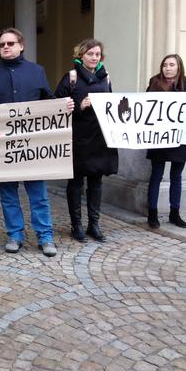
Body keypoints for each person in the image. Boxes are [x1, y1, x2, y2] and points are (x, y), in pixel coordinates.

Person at [0, 27, 73, 257]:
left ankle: (45, 236)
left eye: (10, 43)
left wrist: (62, 106)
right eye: (2, 44)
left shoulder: (36, 72)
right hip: (3, 150)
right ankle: (15, 234)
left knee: (38, 194)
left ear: (21, 46)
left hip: (32, 149)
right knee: (8, 195)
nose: (5, 47)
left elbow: (48, 100)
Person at [54, 39, 118, 243]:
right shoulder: (71, 78)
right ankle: (76, 225)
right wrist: (79, 107)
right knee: (75, 183)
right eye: (90, 54)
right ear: (81, 55)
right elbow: (56, 107)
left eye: (97, 54)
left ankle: (94, 224)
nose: (94, 57)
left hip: (100, 138)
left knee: (96, 182)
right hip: (77, 138)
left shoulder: (106, 78)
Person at [146, 54, 186, 228]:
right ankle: (152, 214)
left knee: (176, 176)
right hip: (160, 138)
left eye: (171, 64)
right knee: (156, 175)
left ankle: (174, 213)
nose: (167, 68)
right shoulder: (154, 84)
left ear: (179, 67)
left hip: (180, 137)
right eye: (165, 65)